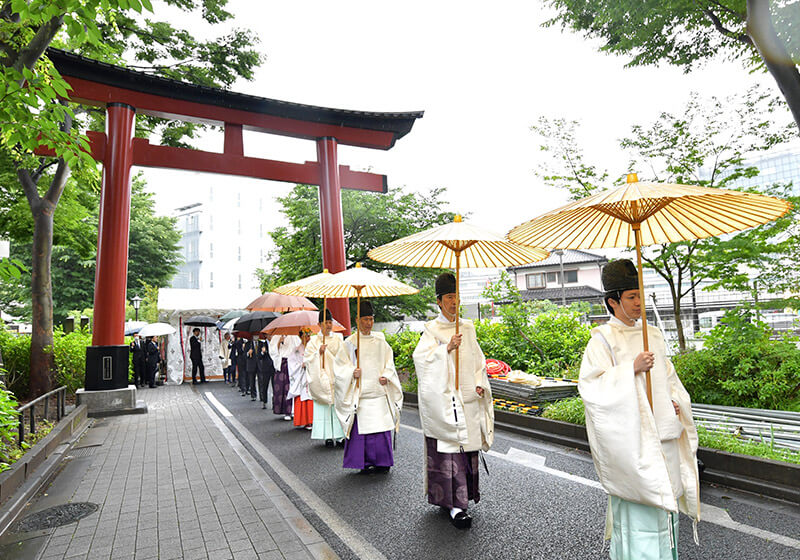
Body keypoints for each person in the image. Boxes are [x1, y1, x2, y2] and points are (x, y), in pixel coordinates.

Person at [580, 259, 700, 560]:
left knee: (666, 507)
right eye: (632, 297)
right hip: (633, 444)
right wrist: (630, 369)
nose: (639, 303)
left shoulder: (654, 334)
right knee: (640, 514)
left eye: (640, 295)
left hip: (665, 434)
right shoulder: (602, 340)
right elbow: (591, 388)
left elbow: (669, 378)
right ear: (612, 301)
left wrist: (674, 401)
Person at [412, 272, 494, 529]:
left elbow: (478, 361)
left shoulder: (467, 327)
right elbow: (421, 362)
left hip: (468, 399)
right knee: (450, 454)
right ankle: (456, 507)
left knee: (466, 451)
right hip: (446, 403)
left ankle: (464, 499)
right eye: (449, 297)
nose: (454, 302)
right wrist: (444, 349)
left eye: (456, 296)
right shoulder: (432, 331)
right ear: (438, 301)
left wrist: (480, 384)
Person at [337, 300, 403, 474]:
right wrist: (351, 372)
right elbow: (340, 367)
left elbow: (389, 362)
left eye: (371, 319)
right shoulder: (350, 343)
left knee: (381, 429)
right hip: (361, 394)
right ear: (357, 320)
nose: (368, 323)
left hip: (378, 391)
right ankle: (364, 462)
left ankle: (382, 462)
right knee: (362, 431)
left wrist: (387, 376)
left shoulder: (380, 340)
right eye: (365, 319)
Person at [304, 308, 351, 447]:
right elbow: (307, 360)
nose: (329, 325)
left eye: (330, 322)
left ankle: (341, 435)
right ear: (319, 324)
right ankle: (328, 436)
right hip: (322, 377)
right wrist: (318, 353)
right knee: (324, 407)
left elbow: (344, 357)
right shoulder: (313, 341)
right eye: (326, 322)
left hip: (336, 376)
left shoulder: (338, 338)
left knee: (339, 406)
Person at [287, 328, 314, 429]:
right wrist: (300, 365)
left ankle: (311, 420)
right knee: (302, 396)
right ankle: (304, 420)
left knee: (311, 396)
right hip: (301, 375)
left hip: (310, 375)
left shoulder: (312, 348)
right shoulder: (296, 349)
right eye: (306, 336)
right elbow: (292, 363)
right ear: (301, 336)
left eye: (309, 335)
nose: (308, 338)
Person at [271, 333, 298, 420]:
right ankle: (284, 411)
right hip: (281, 363)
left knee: (291, 387)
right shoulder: (276, 337)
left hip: (292, 363)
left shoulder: (294, 336)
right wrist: (279, 342)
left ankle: (291, 411)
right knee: (280, 388)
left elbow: (298, 348)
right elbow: (273, 352)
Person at [257, 336, 276, 409]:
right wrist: (262, 352)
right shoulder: (262, 344)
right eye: (269, 335)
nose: (271, 336)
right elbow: (259, 356)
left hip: (274, 367)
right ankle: (264, 401)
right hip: (265, 368)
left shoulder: (275, 343)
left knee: (275, 386)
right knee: (265, 385)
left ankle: (275, 403)